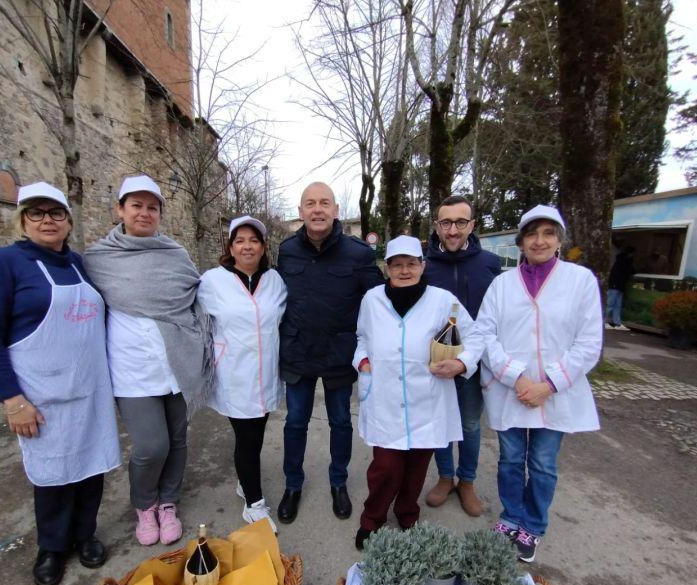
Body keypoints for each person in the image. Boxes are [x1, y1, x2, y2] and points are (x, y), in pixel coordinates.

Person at [0, 181, 120, 585]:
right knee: (53, 472)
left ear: (69, 221)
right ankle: (52, 547)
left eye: (55, 213)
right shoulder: (4, 263)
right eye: (36, 213)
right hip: (40, 395)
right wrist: (12, 399)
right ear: (22, 220)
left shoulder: (79, 264)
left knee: (90, 465)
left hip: (89, 389)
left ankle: (85, 535)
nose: (47, 221)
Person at [84, 175, 213, 547]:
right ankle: (145, 505)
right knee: (150, 446)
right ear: (120, 210)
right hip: (131, 370)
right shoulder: (98, 259)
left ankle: (168, 503)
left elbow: (196, 296)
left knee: (177, 439)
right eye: (136, 205)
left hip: (177, 365)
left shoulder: (175, 255)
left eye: (152, 207)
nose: (144, 213)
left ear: (160, 214)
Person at [476, 205, 602, 563]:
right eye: (532, 234)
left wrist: (549, 384)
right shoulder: (502, 284)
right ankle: (511, 517)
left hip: (554, 393)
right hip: (511, 389)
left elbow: (589, 342)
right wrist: (516, 376)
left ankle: (532, 525)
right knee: (511, 460)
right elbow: (485, 334)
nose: (539, 240)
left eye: (548, 233)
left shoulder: (580, 281)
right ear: (521, 242)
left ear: (560, 240)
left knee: (544, 463)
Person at [352, 236, 485, 550]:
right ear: (386, 268)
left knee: (417, 464)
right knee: (385, 466)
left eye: (411, 263)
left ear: (423, 266)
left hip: (428, 397)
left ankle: (408, 512)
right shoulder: (372, 299)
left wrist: (461, 363)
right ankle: (372, 519)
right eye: (397, 264)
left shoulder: (442, 299)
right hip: (384, 396)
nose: (404, 270)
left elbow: (475, 336)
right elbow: (361, 337)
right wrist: (363, 360)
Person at [275, 182, 384, 524]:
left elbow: (378, 301)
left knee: (340, 422)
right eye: (310, 203)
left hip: (340, 354)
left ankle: (339, 482)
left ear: (336, 210)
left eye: (324, 203)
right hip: (299, 352)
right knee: (295, 423)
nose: (317, 209)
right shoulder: (287, 250)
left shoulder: (358, 254)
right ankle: (293, 485)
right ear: (300, 212)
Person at [198, 216, 287, 533]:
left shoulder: (275, 280)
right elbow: (193, 319)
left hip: (266, 374)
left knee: (255, 435)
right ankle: (254, 505)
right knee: (248, 439)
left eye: (253, 240)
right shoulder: (212, 281)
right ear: (230, 247)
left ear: (263, 247)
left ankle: (243, 480)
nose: (247, 246)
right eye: (239, 240)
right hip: (233, 374)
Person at [422, 195, 502, 516]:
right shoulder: (424, 265)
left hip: (473, 362)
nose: (452, 230)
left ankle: (466, 482)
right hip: (437, 361)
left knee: (469, 424)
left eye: (460, 222)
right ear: (437, 226)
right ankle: (445, 477)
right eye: (445, 222)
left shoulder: (490, 264)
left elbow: (496, 317)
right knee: (441, 422)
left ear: (472, 225)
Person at [605, 245, 635, 330]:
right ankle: (605, 321)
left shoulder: (621, 260)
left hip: (617, 285)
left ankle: (616, 322)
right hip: (616, 285)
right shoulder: (624, 261)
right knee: (611, 304)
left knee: (616, 304)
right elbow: (630, 270)